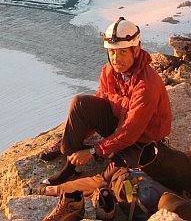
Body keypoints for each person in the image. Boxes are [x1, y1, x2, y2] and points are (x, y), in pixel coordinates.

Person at [42, 17, 173, 221]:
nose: (115, 58)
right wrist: (73, 139)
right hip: (118, 125)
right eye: (112, 51)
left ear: (135, 51)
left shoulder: (146, 86)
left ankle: (71, 191)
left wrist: (94, 151)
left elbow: (130, 132)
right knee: (81, 103)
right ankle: (70, 164)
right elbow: (98, 106)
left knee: (112, 177)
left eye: (122, 52)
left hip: (142, 143)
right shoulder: (109, 72)